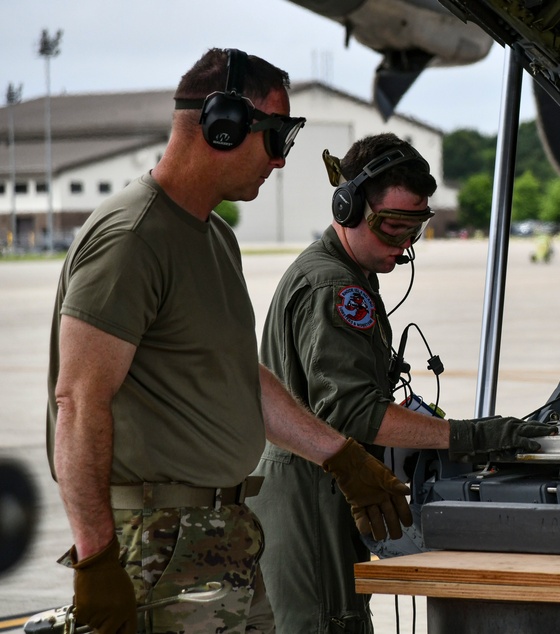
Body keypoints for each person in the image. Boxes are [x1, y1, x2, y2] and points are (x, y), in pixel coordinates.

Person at [46, 48, 412, 634]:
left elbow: (242, 376)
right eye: (276, 139)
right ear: (222, 128)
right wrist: (96, 559)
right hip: (156, 544)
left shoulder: (215, 237)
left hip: (226, 534)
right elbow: (78, 401)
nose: (281, 162)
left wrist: (341, 458)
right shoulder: (132, 239)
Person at [247, 133, 557, 634]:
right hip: (311, 495)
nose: (404, 245)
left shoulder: (347, 272)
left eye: (415, 228)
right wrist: (466, 436)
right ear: (348, 208)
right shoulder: (335, 287)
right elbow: (353, 413)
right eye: (391, 227)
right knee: (329, 623)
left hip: (320, 484)